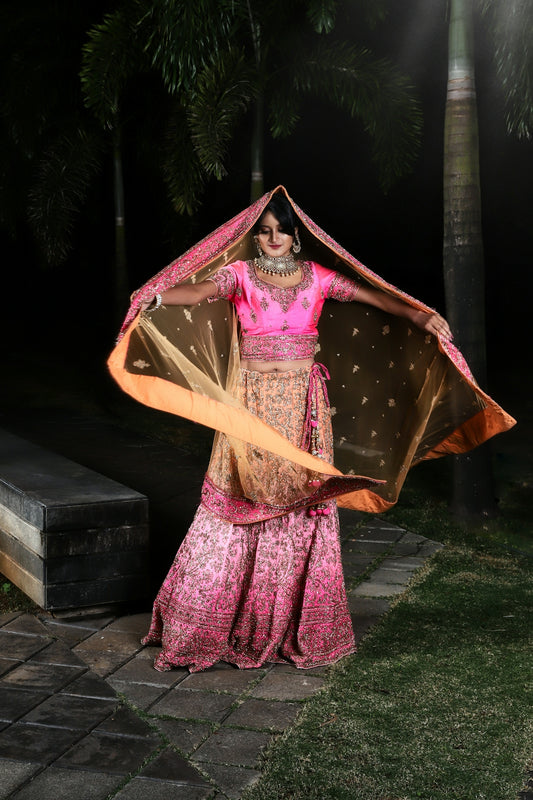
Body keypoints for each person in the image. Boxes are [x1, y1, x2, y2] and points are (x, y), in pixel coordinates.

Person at [108, 187, 515, 673]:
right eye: (265, 232)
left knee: (303, 499)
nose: (274, 238)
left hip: (305, 403)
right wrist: (156, 294)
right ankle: (211, 621)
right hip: (254, 404)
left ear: (296, 237)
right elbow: (196, 292)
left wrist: (421, 316)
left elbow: (373, 298)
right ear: (255, 238)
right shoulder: (239, 275)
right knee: (248, 499)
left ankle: (289, 621)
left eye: (281, 231)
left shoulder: (317, 278)